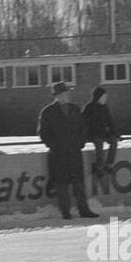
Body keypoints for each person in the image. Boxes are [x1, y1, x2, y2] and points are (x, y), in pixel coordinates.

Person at [37, 80, 99, 220]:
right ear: (57, 96)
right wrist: (56, 146)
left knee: (79, 183)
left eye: (67, 93)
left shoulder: (74, 109)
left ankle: (84, 210)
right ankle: (66, 212)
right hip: (58, 154)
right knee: (62, 185)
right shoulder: (48, 112)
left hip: (74, 152)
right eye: (64, 93)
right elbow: (44, 134)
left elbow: (83, 128)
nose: (67, 96)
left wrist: (80, 143)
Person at [82, 85, 121, 177]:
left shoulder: (105, 108)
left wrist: (115, 134)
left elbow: (110, 121)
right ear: (98, 97)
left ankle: (109, 164)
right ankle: (99, 166)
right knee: (99, 143)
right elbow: (83, 122)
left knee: (114, 141)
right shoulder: (89, 107)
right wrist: (85, 134)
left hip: (103, 132)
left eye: (105, 97)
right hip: (93, 133)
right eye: (103, 97)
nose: (105, 99)